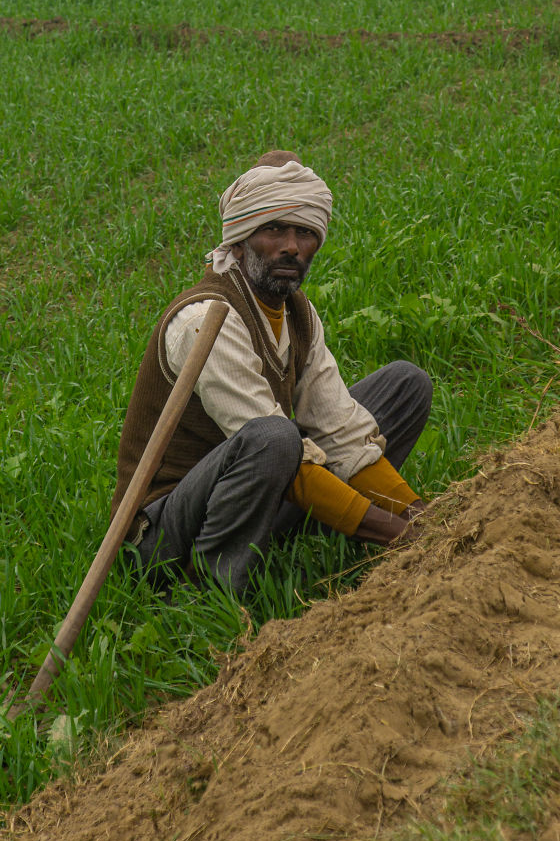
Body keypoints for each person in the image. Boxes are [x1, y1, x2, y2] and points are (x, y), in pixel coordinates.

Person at [111, 151, 433, 593]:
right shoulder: (205, 320)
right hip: (166, 535)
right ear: (240, 239)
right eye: (274, 229)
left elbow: (338, 429)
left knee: (404, 385)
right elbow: (281, 449)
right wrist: (404, 537)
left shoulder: (298, 314)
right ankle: (209, 592)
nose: (290, 246)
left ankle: (331, 528)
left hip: (258, 491)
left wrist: (423, 518)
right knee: (274, 438)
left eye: (304, 232)